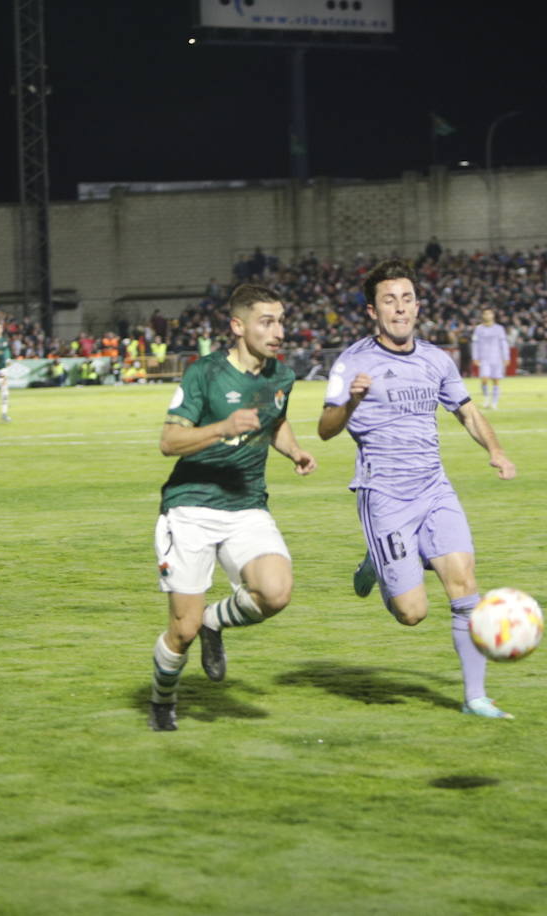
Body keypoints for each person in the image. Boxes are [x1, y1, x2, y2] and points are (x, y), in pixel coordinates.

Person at [318, 258, 518, 720]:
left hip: (434, 488)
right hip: (384, 496)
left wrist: (497, 451)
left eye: (407, 299)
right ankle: (381, 559)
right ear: (373, 311)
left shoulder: (436, 360)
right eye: (389, 300)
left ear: (417, 305)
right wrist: (352, 400)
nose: (400, 308)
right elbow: (325, 429)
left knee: (465, 584)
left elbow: (467, 411)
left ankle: (475, 699)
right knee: (412, 613)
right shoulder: (352, 361)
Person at [147, 284, 317, 731]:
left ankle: (213, 622)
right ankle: (162, 700)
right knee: (180, 632)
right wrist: (222, 427)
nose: (278, 331)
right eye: (267, 321)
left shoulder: (279, 377)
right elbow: (169, 442)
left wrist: (294, 450)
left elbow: (273, 417)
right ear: (238, 326)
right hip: (191, 507)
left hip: (246, 505)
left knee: (276, 591)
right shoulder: (203, 374)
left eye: (281, 321)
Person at [471, 307, 509, 409]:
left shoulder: (499, 328)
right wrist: (475, 357)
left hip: (497, 357)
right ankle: (486, 399)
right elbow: (475, 344)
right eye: (485, 314)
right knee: (484, 378)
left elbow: (503, 343)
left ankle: (494, 403)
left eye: (489, 313)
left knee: (496, 380)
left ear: (493, 315)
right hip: (484, 358)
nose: (487, 316)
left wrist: (506, 357)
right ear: (482, 316)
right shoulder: (478, 329)